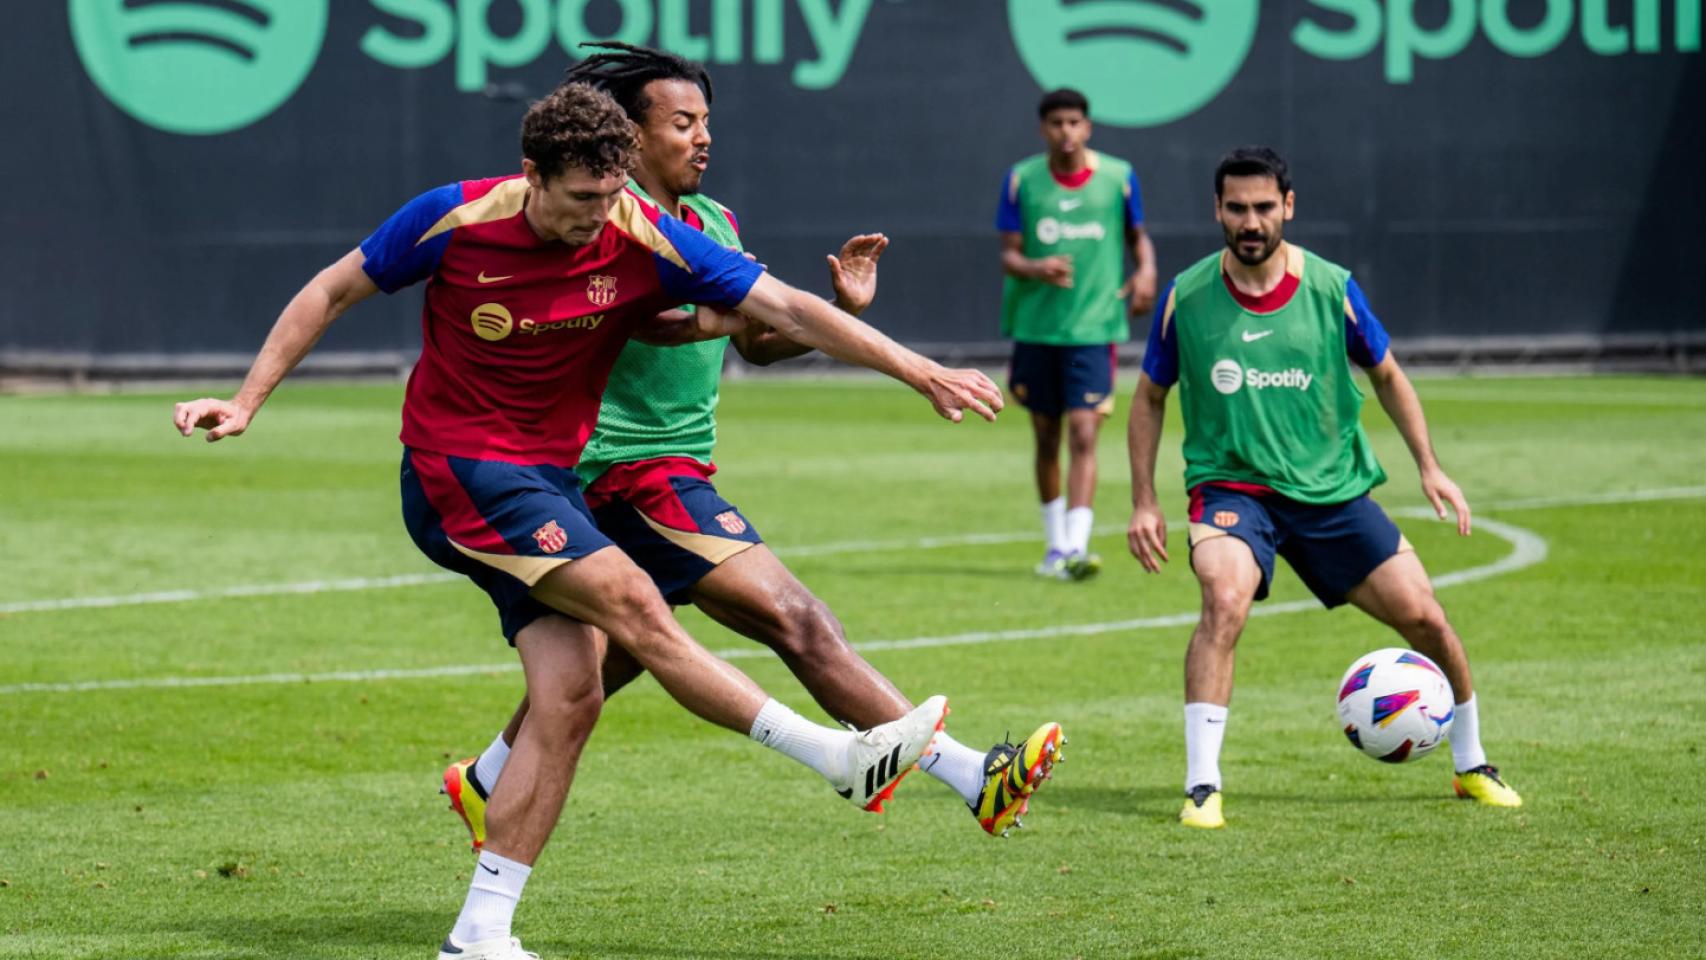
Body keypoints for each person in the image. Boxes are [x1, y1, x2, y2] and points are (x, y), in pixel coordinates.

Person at [172, 83, 1003, 960]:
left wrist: (919, 369)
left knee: (568, 696)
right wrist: (246, 400)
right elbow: (330, 291)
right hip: (458, 469)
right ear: (531, 176)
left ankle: (479, 933)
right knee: (638, 605)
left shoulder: (641, 232)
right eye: (578, 201)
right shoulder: (455, 217)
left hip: (548, 482)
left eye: (609, 197)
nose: (595, 219)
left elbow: (787, 310)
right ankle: (837, 761)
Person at [442, 43, 1065, 862]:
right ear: (629, 135)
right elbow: (649, 320)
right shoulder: (602, 221)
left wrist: (821, 315)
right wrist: (787, 322)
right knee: (796, 618)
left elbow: (758, 345)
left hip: (678, 468)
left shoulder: (715, 223)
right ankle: (970, 776)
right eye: (682, 123)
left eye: (707, 123)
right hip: (626, 475)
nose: (703, 139)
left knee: (611, 662)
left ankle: (488, 780)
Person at [1125, 146, 1523, 830]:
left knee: (1426, 618)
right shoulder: (1187, 297)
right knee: (1224, 602)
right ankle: (1201, 786)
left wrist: (1429, 464)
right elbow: (1148, 398)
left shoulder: (1331, 288)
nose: (1250, 222)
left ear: (1288, 206)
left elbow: (1389, 375)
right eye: (1236, 208)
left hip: (1332, 494)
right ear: (1216, 210)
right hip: (1232, 491)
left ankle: (1472, 762)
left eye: (1263, 207)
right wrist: (1143, 498)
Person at [997, 87, 1158, 581]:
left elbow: (1138, 238)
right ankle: (1054, 546)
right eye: (1056, 123)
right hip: (1038, 327)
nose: (1066, 132)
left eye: (1074, 122)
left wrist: (1147, 270)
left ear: (1087, 127)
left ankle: (1076, 547)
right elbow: (1009, 253)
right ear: (1043, 128)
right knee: (1046, 437)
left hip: (1094, 328)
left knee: (1085, 432)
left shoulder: (1118, 178)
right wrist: (1035, 267)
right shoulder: (1022, 180)